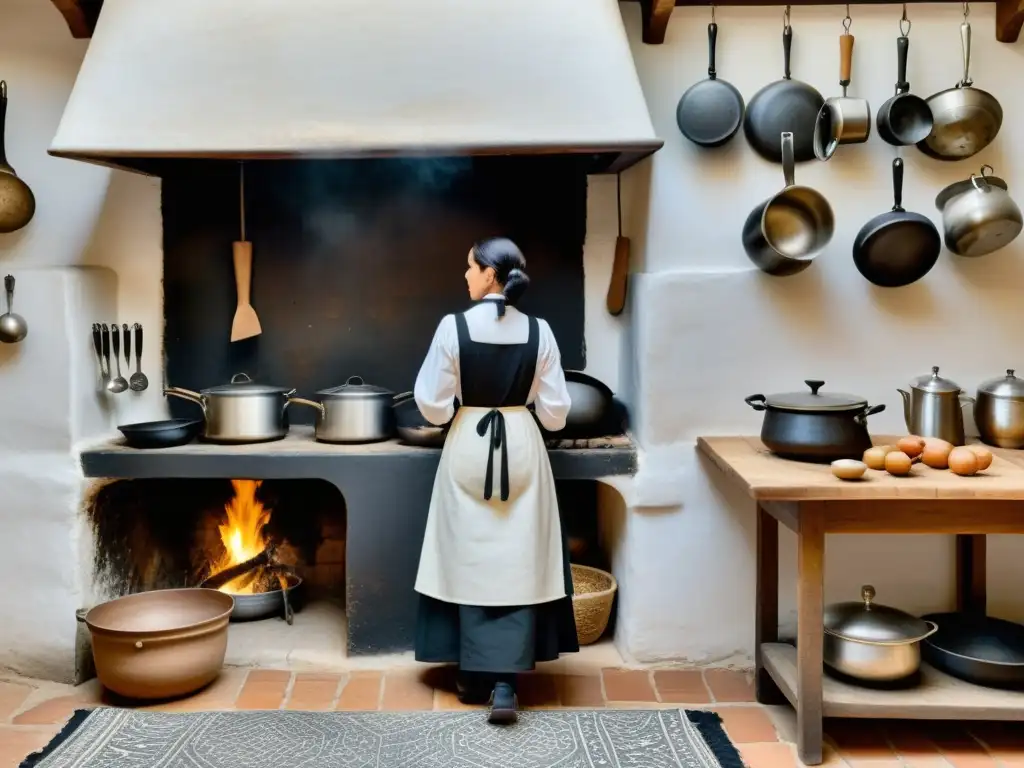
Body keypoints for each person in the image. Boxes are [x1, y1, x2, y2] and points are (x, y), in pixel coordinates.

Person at [412, 236, 578, 724]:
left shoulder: (453, 326)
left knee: (468, 552)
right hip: (522, 447)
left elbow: (432, 403)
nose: (464, 275)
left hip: (469, 444)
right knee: (519, 556)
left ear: (489, 274)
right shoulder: (540, 331)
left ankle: (472, 673)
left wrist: (458, 406)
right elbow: (555, 415)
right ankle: (507, 678)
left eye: (469, 267)